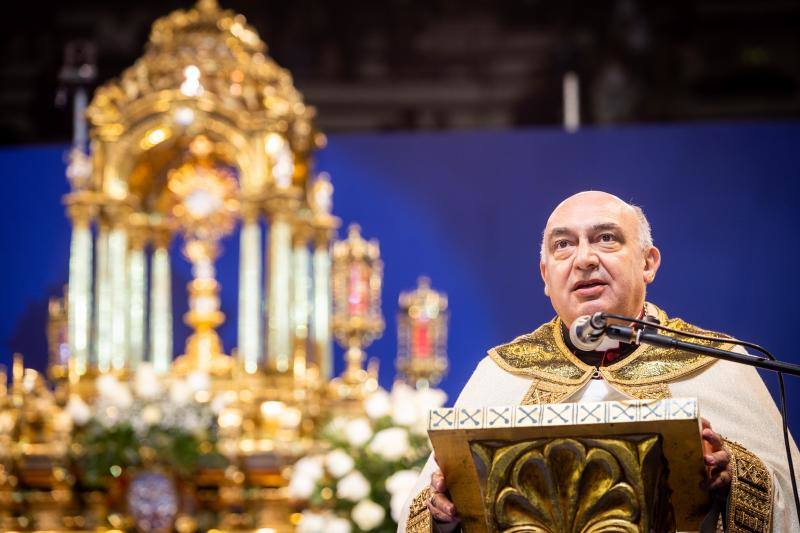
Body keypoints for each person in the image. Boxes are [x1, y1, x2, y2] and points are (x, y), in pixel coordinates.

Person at [397, 191, 800, 532]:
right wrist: (444, 513)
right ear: (545, 274)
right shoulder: (502, 372)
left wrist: (734, 475)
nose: (584, 259)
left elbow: (789, 494)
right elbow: (424, 509)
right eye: (563, 245)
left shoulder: (717, 363)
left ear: (648, 263)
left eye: (606, 238)